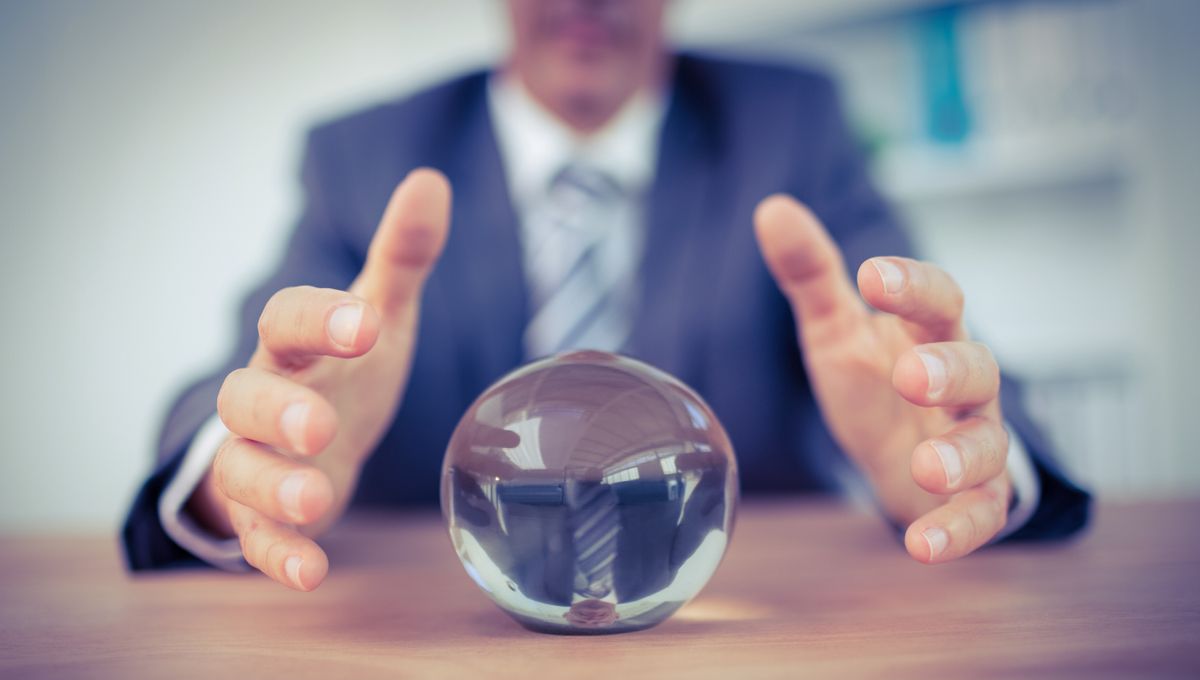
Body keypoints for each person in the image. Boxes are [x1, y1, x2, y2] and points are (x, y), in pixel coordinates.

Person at [123, 0, 1090, 592]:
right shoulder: (364, 152)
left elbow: (948, 368)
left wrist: (955, 455)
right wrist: (240, 468)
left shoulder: (793, 121)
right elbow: (242, 381)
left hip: (750, 666)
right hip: (432, 664)